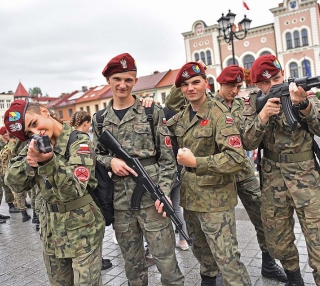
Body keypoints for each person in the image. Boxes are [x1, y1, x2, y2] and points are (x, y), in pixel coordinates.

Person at [165, 65, 287, 282]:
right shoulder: (189, 109)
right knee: (203, 246)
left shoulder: (238, 106)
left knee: (259, 219)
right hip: (201, 187)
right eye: (231, 85)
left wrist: (263, 117)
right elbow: (170, 107)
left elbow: (243, 147)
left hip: (235, 174)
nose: (234, 90)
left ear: (205, 83)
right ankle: (210, 277)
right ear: (218, 84)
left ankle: (269, 263)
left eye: (238, 86)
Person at [241, 54, 320, 286]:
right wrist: (263, 116)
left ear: (283, 75)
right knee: (278, 241)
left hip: (306, 179)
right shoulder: (253, 103)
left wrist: (303, 105)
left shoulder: (303, 94)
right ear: (257, 85)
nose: (274, 84)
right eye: (267, 82)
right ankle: (294, 279)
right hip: (273, 182)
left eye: (277, 77)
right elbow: (247, 143)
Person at [92, 53, 184, 286]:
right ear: (109, 81)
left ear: (135, 81)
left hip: (153, 200)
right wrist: (110, 162)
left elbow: (168, 159)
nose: (123, 84)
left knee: (167, 264)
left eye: (128, 79)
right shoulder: (100, 119)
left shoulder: (151, 112)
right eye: (117, 79)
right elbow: (97, 154)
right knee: (133, 267)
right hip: (121, 204)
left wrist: (162, 192)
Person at [166, 61, 252, 286]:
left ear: (206, 82)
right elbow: (162, 124)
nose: (190, 88)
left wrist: (197, 162)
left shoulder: (220, 114)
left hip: (216, 202)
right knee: (202, 253)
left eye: (196, 82)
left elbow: (236, 157)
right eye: (184, 85)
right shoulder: (182, 116)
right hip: (191, 199)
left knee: (228, 260)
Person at [4, 100, 105, 285]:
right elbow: (12, 182)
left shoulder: (79, 141)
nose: (36, 133)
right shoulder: (34, 147)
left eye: (34, 124)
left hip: (83, 231)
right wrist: (30, 162)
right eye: (28, 133)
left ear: (44, 111)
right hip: (51, 233)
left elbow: (74, 189)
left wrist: (48, 162)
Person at [70, 110, 113, 271]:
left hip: (81, 193)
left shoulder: (69, 139)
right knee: (94, 229)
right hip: (92, 191)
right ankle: (97, 260)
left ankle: (97, 259)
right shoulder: (83, 141)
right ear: (86, 123)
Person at [163, 106, 189, 251]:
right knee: (177, 207)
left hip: (165, 174)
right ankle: (184, 240)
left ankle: (166, 244)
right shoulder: (181, 118)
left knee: (163, 208)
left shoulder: (163, 116)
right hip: (179, 170)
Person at [0, 126, 19, 215]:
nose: (7, 134)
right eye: (5, 133)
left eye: (7, 132)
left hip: (8, 168)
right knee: (6, 188)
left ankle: (18, 203)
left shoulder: (9, 142)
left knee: (11, 186)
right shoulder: (1, 143)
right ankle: (11, 205)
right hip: (1, 169)